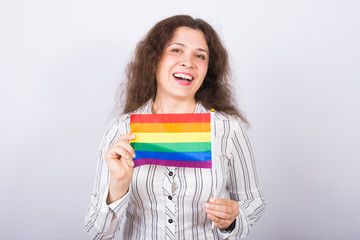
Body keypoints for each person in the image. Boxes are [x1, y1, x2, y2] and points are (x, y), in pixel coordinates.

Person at [85, 15, 265, 239]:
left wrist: (233, 220)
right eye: (176, 50)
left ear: (207, 71)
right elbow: (96, 232)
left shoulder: (228, 129)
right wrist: (119, 185)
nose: (188, 62)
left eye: (199, 56)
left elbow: (252, 201)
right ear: (153, 62)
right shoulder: (121, 129)